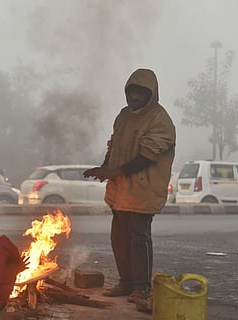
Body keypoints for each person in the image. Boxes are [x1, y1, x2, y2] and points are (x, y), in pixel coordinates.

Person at [83, 68, 176, 303]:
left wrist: (112, 171)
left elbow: (147, 156)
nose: (133, 97)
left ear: (150, 94)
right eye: (130, 91)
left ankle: (142, 287)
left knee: (138, 238)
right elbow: (113, 145)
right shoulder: (123, 115)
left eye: (139, 93)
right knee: (119, 238)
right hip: (120, 190)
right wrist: (104, 168)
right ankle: (125, 283)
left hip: (143, 191)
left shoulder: (160, 119)